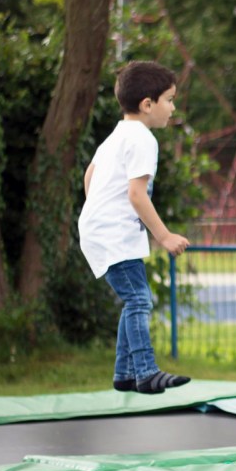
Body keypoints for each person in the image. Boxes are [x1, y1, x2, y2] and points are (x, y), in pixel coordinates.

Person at [78, 60, 191, 395]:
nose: (172, 108)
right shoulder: (143, 138)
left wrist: (98, 211)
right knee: (139, 299)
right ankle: (146, 372)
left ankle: (124, 374)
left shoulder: (117, 135)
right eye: (169, 100)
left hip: (99, 229)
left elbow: (90, 174)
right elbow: (137, 194)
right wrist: (165, 236)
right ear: (147, 104)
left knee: (133, 299)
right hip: (112, 233)